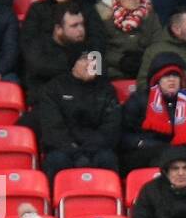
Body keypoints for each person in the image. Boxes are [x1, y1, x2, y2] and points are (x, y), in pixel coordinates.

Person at [119, 53, 186, 174]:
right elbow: (122, 134)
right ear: (157, 80)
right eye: (166, 76)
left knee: (177, 161)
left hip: (176, 155)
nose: (172, 79)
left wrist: (183, 147)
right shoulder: (139, 99)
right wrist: (142, 143)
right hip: (142, 154)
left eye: (176, 76)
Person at [35, 48, 122, 180]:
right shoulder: (54, 88)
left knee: (107, 158)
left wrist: (88, 150)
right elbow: (53, 129)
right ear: (73, 64)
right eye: (84, 59)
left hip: (97, 148)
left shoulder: (106, 89)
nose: (91, 64)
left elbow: (111, 127)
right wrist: (76, 153)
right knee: (57, 160)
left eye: (94, 59)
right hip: (64, 148)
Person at [97, 0, 164, 81]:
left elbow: (158, 44)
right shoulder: (104, 17)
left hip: (144, 70)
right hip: (113, 72)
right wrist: (120, 60)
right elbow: (98, 49)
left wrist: (144, 60)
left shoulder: (150, 15)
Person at [22, 4, 94, 104]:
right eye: (74, 25)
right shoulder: (38, 46)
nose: (81, 29)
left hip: (79, 101)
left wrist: (93, 72)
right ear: (58, 29)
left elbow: (99, 68)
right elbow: (39, 67)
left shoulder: (85, 45)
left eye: (82, 24)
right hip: (46, 102)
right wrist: (74, 71)